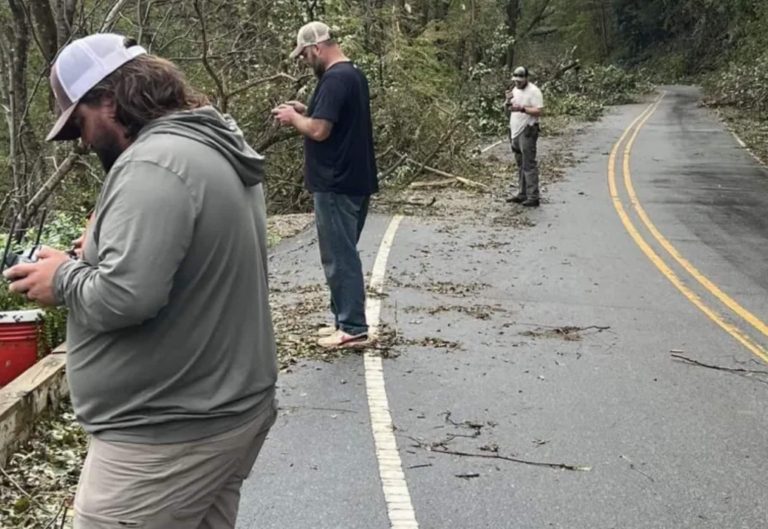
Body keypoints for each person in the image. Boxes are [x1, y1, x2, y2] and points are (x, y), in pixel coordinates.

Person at [3, 33, 277, 529]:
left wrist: (62, 279)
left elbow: (126, 298)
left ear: (108, 99)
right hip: (221, 413)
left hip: (166, 437)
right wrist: (86, 256)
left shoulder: (153, 164)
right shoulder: (205, 144)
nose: (82, 143)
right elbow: (178, 265)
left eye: (79, 124)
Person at [272, 21, 379, 348]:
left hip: (336, 182)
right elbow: (334, 118)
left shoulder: (333, 79)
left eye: (304, 55)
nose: (305, 61)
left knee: (339, 256)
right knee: (342, 252)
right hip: (356, 179)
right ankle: (342, 320)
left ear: (317, 48)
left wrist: (294, 119)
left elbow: (319, 130)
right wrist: (306, 109)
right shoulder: (353, 75)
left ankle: (352, 327)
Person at [505, 66, 544, 207]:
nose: (518, 82)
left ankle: (533, 196)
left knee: (529, 164)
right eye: (516, 80)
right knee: (520, 164)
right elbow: (508, 111)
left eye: (520, 80)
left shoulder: (534, 91)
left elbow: (539, 111)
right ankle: (522, 193)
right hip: (514, 130)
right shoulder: (514, 90)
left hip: (527, 131)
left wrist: (522, 109)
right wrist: (507, 102)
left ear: (526, 78)